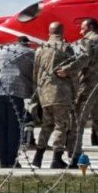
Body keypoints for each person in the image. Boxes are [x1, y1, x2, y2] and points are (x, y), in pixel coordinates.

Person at [63, 18, 98, 169]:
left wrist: (67, 70)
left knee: (77, 123)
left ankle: (75, 157)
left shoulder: (88, 41)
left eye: (83, 27)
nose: (81, 31)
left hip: (88, 87)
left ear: (90, 27)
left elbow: (84, 59)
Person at [0, 36, 34, 168]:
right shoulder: (29, 53)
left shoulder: (1, 51)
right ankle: (12, 160)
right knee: (14, 128)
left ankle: (3, 160)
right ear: (27, 44)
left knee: (0, 128)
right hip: (16, 92)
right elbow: (35, 74)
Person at [33, 22, 76, 169]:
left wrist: (38, 92)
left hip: (44, 92)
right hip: (61, 93)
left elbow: (36, 73)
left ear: (49, 32)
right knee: (61, 125)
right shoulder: (66, 48)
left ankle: (38, 157)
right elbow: (73, 72)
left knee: (47, 126)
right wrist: (75, 93)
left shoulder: (40, 49)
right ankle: (56, 158)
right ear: (62, 32)